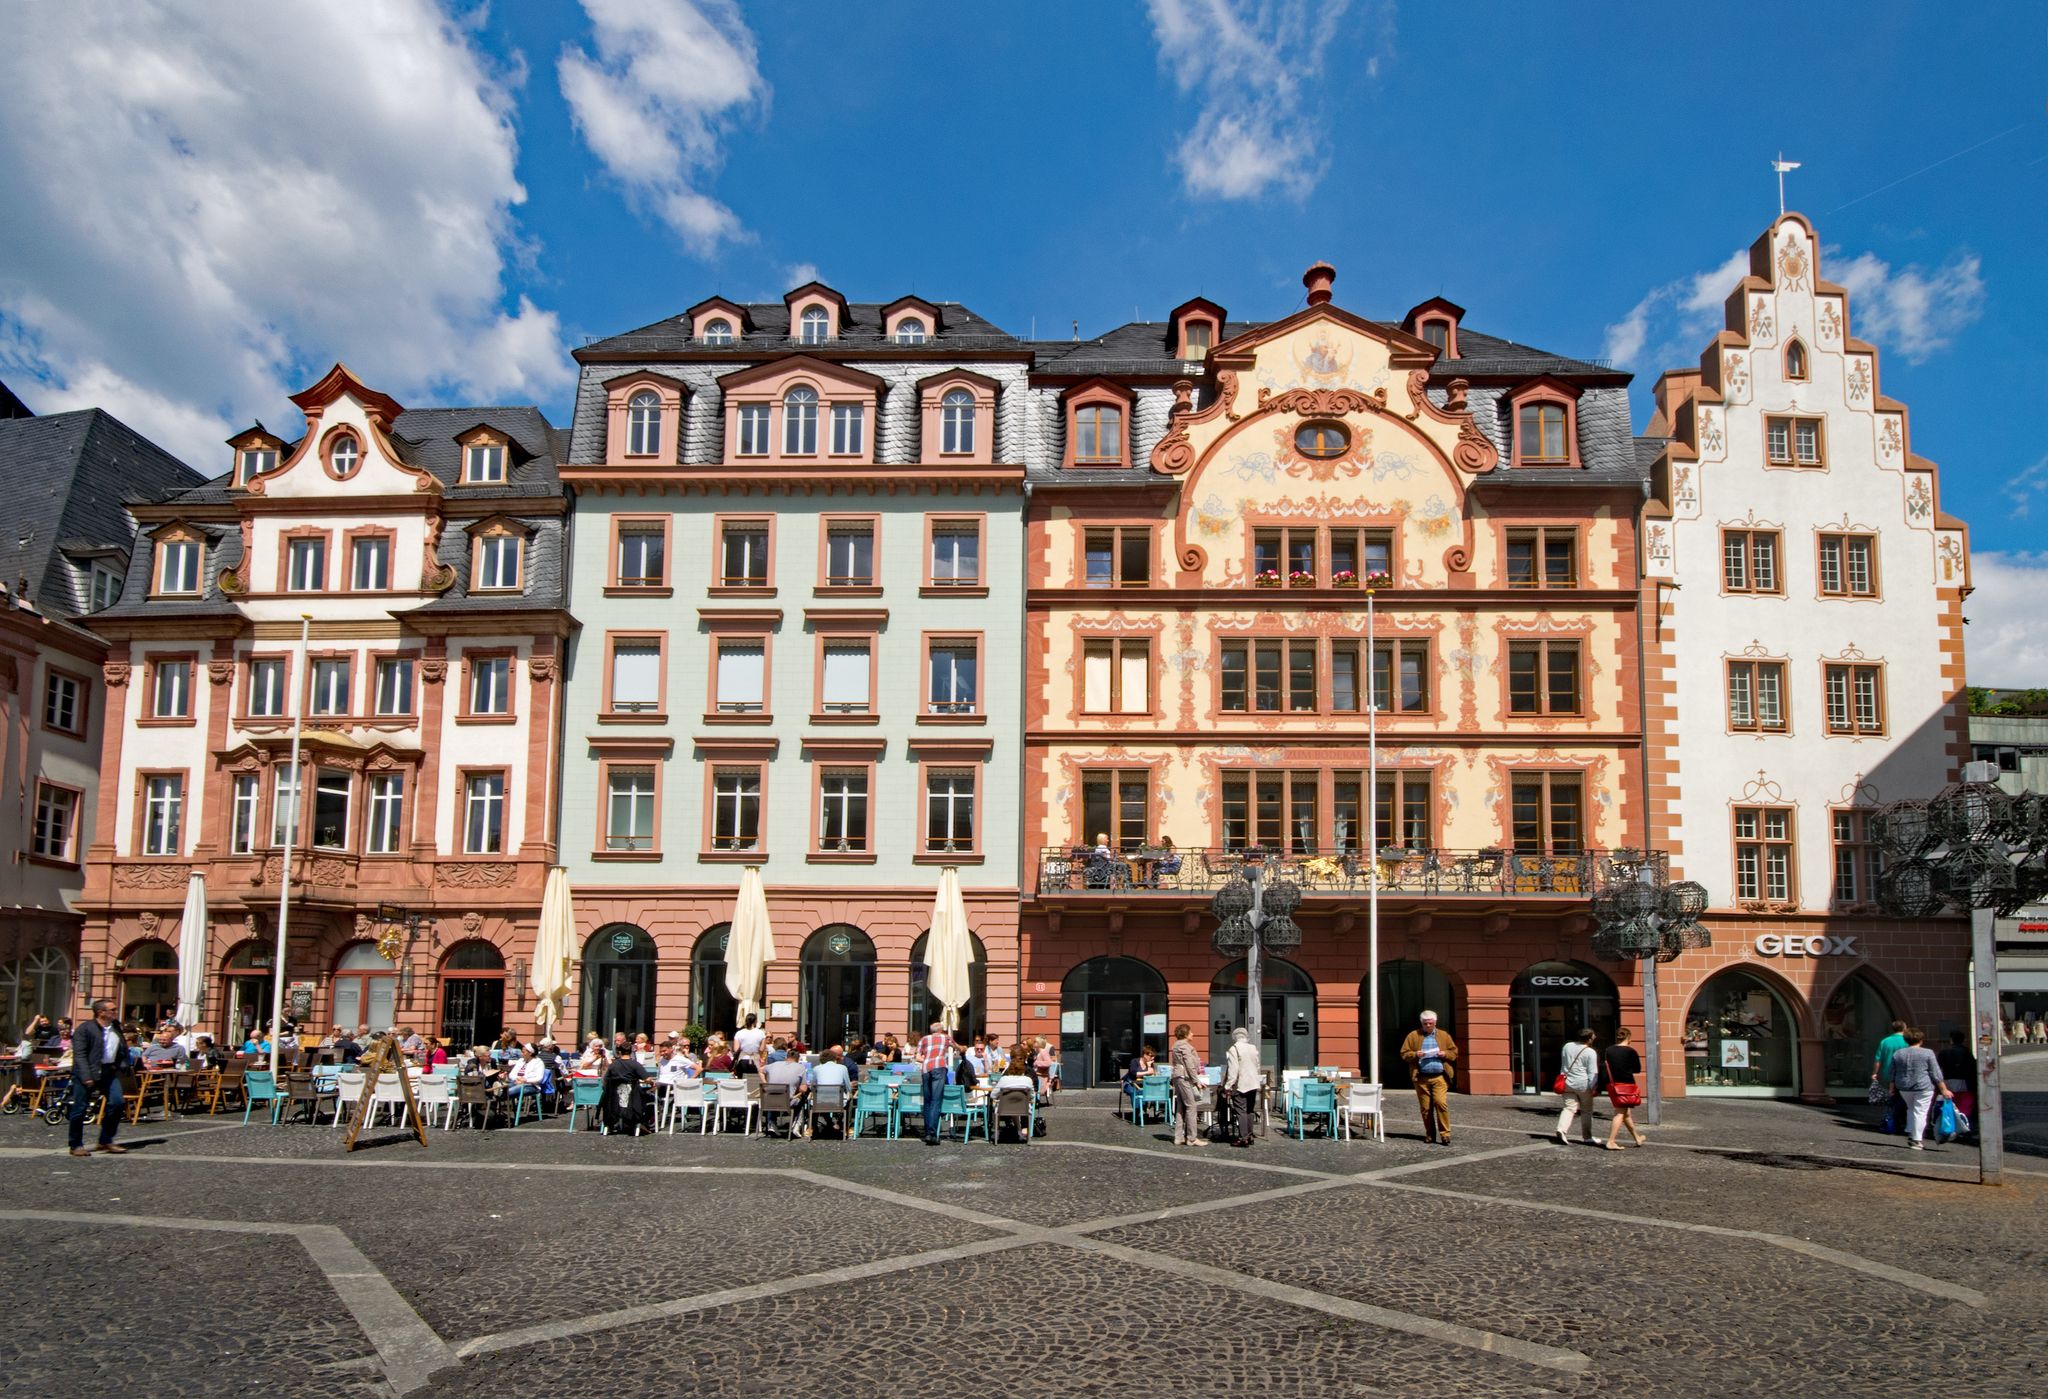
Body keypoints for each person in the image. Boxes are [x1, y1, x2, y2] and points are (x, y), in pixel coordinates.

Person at [67, 997, 130, 1157]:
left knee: (117, 1102)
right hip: (87, 1071)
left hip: (109, 1071)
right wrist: (86, 1076)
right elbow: (79, 1055)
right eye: (113, 1010)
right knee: (80, 1109)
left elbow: (122, 1046)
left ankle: (106, 1140)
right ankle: (75, 1144)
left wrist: (122, 1064)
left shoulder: (115, 1027)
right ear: (101, 1013)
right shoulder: (85, 1029)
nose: (116, 1012)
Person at [1888, 1027, 1953, 1151]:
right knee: (1920, 1112)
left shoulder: (1898, 1053)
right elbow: (1936, 1073)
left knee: (1911, 1109)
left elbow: (1892, 1072)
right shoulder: (1927, 1053)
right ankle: (1916, 1139)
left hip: (1904, 1086)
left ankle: (1912, 1133)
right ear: (1921, 1040)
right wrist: (1944, 1089)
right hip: (1923, 1086)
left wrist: (1891, 1087)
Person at [1399, 1010, 1458, 1146]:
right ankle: (1430, 1134)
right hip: (1421, 1077)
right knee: (1426, 1108)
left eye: (1431, 1023)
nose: (1428, 1026)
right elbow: (1404, 1053)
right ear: (1422, 1023)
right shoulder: (1414, 1036)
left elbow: (1454, 1052)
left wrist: (1445, 1054)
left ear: (1435, 1022)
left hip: (1440, 1077)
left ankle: (1445, 1134)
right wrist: (1415, 1054)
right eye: (1426, 1024)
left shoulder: (1443, 1035)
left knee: (1440, 1103)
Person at [1602, 1027, 1646, 1150]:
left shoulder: (1608, 1050)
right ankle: (1611, 1141)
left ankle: (1637, 1137)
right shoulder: (1631, 1051)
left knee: (1626, 1113)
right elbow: (1637, 1069)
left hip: (1613, 1085)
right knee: (1620, 1113)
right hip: (1626, 1085)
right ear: (1629, 1038)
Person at [1556, 1028, 1600, 1146]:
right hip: (1583, 1084)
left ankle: (1562, 1129)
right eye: (1593, 1036)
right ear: (1590, 1039)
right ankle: (1587, 1137)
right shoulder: (1590, 1052)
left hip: (1567, 1082)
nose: (1595, 1038)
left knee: (1569, 1108)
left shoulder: (1567, 1046)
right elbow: (1593, 1073)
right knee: (1586, 1111)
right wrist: (1592, 1088)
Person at [913, 1019, 951, 1146]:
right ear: (940, 1030)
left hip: (925, 1070)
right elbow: (957, 1047)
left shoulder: (923, 1039)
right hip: (939, 1068)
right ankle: (932, 1134)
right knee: (936, 1100)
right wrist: (963, 1048)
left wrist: (927, 1059)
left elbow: (917, 1057)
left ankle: (927, 1133)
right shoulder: (945, 1037)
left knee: (928, 1101)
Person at [600, 1050, 655, 1135]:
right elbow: (647, 1079)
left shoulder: (613, 1065)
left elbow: (605, 1081)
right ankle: (644, 1124)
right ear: (631, 1053)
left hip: (614, 1103)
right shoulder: (635, 1064)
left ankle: (610, 1126)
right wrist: (652, 1083)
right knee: (652, 1099)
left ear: (620, 1053)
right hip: (633, 1101)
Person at [1223, 1026, 1261, 1147]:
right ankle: (1249, 1135)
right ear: (1246, 1036)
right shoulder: (1253, 1048)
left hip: (1241, 1084)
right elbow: (1257, 1065)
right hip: (1253, 1083)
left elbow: (1233, 1070)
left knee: (1241, 1111)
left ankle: (1243, 1137)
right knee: (1250, 1110)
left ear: (1235, 1037)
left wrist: (1228, 1085)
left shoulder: (1234, 1049)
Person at [1169, 1024, 1205, 1146]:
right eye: (1191, 1032)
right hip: (1184, 1077)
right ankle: (1192, 1138)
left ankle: (1178, 1137)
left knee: (1181, 1107)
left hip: (1178, 1076)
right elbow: (1189, 1064)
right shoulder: (1184, 1046)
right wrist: (1196, 1081)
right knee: (1191, 1106)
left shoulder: (1176, 1045)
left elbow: (1175, 1063)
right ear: (1185, 1034)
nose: (1193, 1034)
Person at [1871, 1019, 1908, 1130]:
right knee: (1905, 1099)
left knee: (1890, 1099)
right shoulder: (1907, 1041)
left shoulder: (1885, 1041)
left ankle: (1889, 1121)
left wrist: (1875, 1073)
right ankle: (1903, 1121)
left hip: (1887, 1074)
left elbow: (1878, 1060)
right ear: (1904, 1028)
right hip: (1904, 1075)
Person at [505, 1043, 547, 1112]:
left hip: (531, 1086)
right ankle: (500, 1094)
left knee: (510, 1090)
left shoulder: (538, 1062)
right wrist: (517, 1078)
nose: (522, 1054)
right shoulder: (521, 1061)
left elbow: (539, 1078)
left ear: (530, 1053)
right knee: (504, 1086)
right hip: (516, 1082)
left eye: (523, 1052)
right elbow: (511, 1074)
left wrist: (525, 1080)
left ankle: (502, 1095)